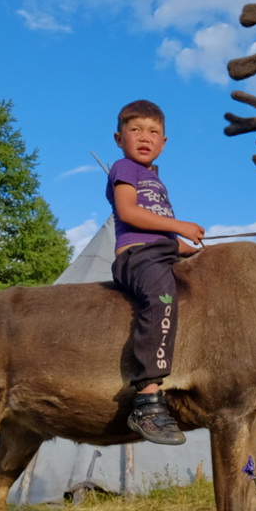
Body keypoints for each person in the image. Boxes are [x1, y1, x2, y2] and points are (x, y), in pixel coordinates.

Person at [107, 99, 205, 445]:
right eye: (135, 130)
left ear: (164, 143)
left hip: (162, 252)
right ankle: (147, 400)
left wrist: (186, 248)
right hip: (138, 256)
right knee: (161, 296)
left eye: (153, 132)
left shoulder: (156, 181)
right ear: (120, 138)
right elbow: (129, 214)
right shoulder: (124, 168)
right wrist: (179, 226)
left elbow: (162, 234)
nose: (144, 137)